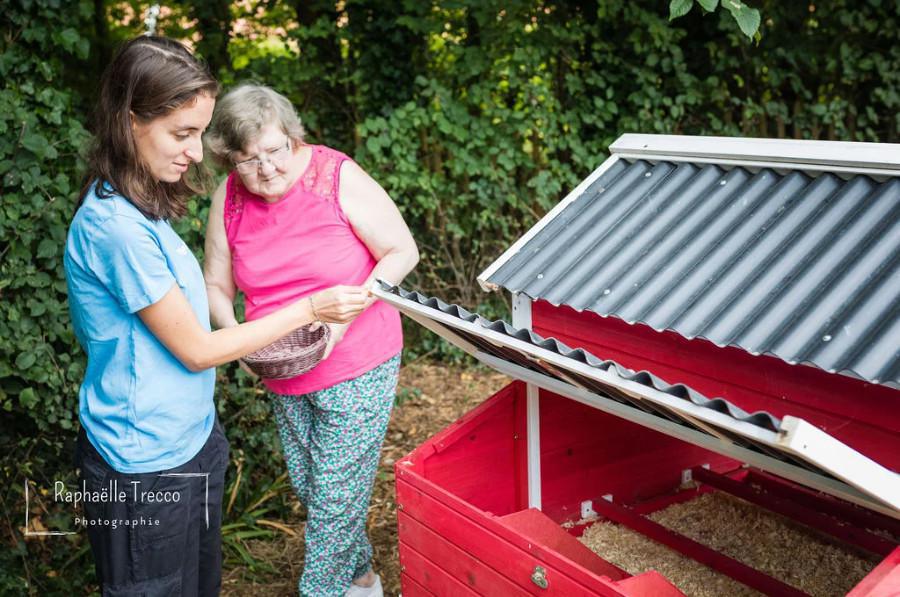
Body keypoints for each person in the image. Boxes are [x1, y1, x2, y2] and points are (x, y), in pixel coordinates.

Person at [65, 37, 369, 596]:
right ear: (130, 121)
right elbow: (197, 349)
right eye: (182, 134)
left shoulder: (142, 204)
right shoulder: (114, 227)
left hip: (191, 441)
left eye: (200, 134)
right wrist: (308, 308)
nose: (197, 152)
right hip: (142, 467)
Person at [202, 84, 418, 597]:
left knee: (331, 507)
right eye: (248, 160)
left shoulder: (335, 176)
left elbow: (401, 251)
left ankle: (320, 587)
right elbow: (215, 283)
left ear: (293, 139)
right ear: (230, 159)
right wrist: (238, 344)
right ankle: (363, 578)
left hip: (358, 360)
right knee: (315, 490)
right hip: (280, 368)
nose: (266, 169)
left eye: (275, 151)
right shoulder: (228, 196)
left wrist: (344, 317)